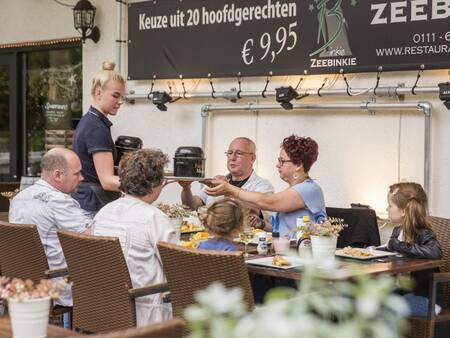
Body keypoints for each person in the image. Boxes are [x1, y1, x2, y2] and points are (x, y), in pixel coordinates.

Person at [90, 148, 177, 327]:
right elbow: (178, 270)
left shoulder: (103, 213)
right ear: (155, 185)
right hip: (145, 312)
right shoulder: (155, 218)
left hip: (103, 306)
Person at [9, 148, 92, 306]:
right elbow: (92, 239)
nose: (82, 178)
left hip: (25, 282)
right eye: (77, 173)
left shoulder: (19, 198)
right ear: (57, 175)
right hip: (58, 285)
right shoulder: (59, 201)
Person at [206, 135, 327, 238]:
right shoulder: (294, 190)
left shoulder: (309, 189)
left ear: (299, 165)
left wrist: (229, 188)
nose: (277, 165)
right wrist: (263, 225)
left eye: (282, 161)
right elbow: (282, 230)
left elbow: (267, 202)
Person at [180, 137, 273, 228]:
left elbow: (257, 212)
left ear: (252, 158)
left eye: (239, 153)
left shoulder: (263, 186)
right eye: (230, 153)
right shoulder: (218, 181)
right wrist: (186, 188)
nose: (232, 158)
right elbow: (191, 206)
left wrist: (228, 191)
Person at [72, 60, 126, 213]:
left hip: (85, 200)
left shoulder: (89, 120)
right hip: (93, 205)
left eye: (122, 96)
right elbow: (107, 181)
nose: (120, 101)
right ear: (98, 93)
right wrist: (144, 185)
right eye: (116, 96)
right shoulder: (96, 127)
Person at [386, 182, 442, 316]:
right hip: (404, 292)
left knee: (384, 309)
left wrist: (397, 245)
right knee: (367, 302)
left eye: (390, 205)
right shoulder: (398, 230)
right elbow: (392, 250)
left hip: (426, 300)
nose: (387, 209)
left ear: (403, 211)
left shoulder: (424, 232)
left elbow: (435, 252)